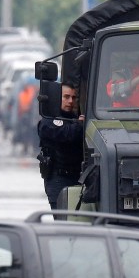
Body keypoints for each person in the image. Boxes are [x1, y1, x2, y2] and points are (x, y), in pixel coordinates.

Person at [37, 82, 84, 210]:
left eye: (73, 98)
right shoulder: (48, 121)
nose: (70, 101)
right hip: (58, 179)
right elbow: (66, 134)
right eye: (66, 97)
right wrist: (79, 125)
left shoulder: (74, 119)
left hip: (76, 177)